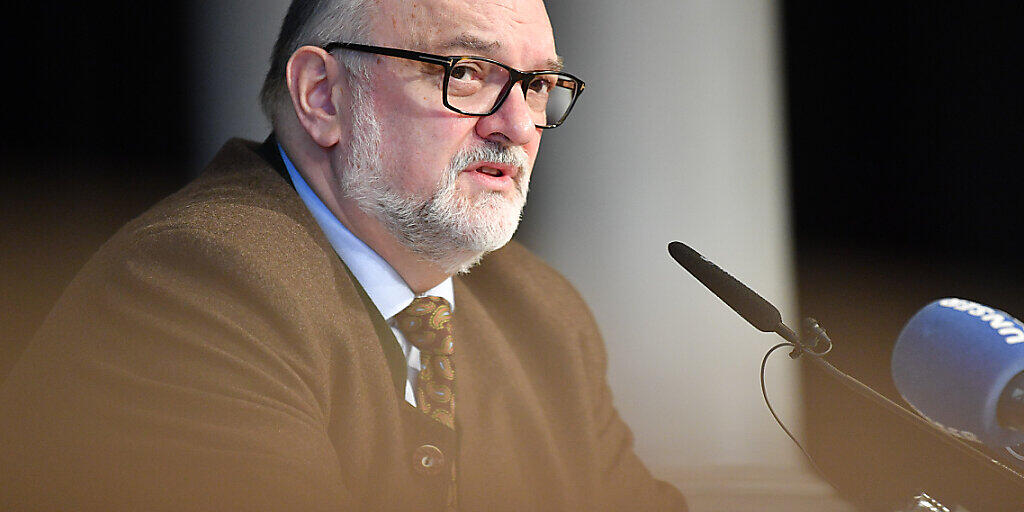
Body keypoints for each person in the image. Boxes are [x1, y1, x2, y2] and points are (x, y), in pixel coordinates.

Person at [0, 0, 687, 510]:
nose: (515, 125)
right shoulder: (195, 284)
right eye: (467, 71)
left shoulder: (543, 316)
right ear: (322, 97)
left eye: (538, 85)